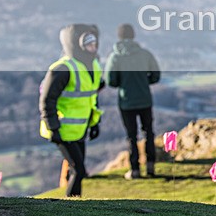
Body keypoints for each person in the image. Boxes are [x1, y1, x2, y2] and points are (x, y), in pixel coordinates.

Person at [39, 24, 103, 197]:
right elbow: (47, 100)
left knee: (75, 170)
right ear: (78, 45)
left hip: (80, 129)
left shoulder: (93, 66)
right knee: (79, 170)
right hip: (62, 130)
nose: (93, 48)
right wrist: (53, 127)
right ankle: (71, 207)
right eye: (89, 44)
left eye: (95, 44)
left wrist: (95, 123)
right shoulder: (63, 69)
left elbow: (91, 96)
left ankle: (72, 207)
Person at [104, 23, 161, 180]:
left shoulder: (115, 57)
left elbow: (111, 81)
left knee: (131, 136)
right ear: (133, 35)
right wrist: (143, 82)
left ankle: (135, 170)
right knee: (148, 132)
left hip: (126, 101)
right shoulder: (145, 54)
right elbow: (156, 76)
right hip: (145, 99)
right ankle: (150, 167)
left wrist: (125, 83)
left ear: (119, 37)